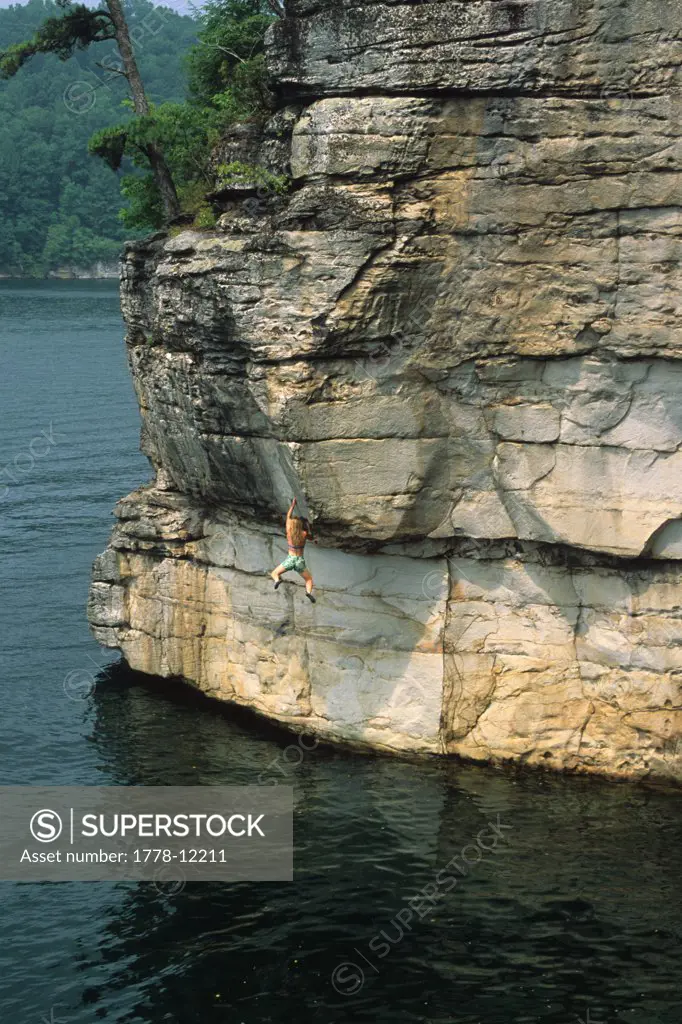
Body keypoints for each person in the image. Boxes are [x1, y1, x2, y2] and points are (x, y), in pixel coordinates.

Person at [270, 497, 316, 602]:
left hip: (290, 559)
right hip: (299, 561)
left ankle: (277, 580)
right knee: (308, 579)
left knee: (274, 573)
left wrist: (292, 505)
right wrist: (308, 527)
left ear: (292, 526)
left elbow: (288, 516)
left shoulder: (289, 533)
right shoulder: (304, 534)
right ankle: (308, 593)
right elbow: (311, 537)